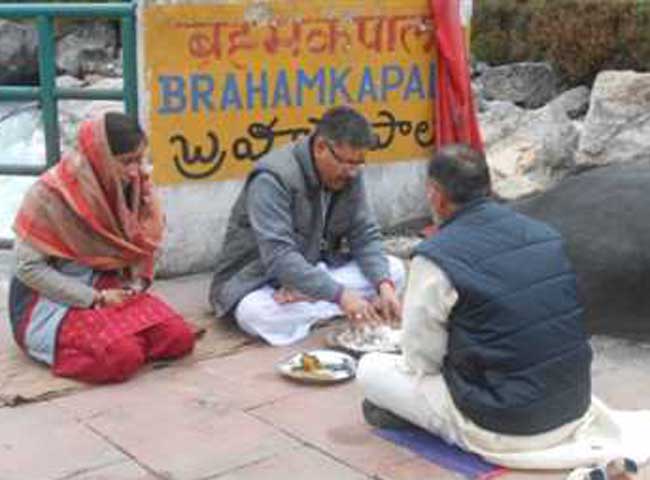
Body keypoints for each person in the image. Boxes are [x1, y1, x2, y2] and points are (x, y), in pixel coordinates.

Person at [357, 144, 650, 475]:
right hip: (572, 406)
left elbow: (421, 360)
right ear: (489, 186)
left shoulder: (435, 256)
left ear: (435, 195)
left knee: (370, 369)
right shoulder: (544, 235)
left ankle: (434, 423)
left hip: (504, 426)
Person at [8, 112, 195, 384]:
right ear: (100, 158)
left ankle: (117, 334)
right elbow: (28, 268)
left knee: (178, 338)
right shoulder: (50, 195)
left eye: (140, 159)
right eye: (127, 162)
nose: (137, 171)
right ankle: (110, 340)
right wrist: (94, 298)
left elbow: (143, 248)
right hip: (53, 299)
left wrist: (134, 285)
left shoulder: (135, 187)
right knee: (121, 357)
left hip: (113, 287)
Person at [209, 106, 405, 346]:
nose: (353, 172)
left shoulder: (350, 173)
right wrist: (340, 294)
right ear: (321, 147)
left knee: (394, 271)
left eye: (359, 163)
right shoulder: (272, 178)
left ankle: (318, 303)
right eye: (347, 163)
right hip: (260, 280)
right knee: (256, 314)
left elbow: (364, 234)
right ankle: (342, 304)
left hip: (314, 271)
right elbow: (279, 257)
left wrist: (384, 285)